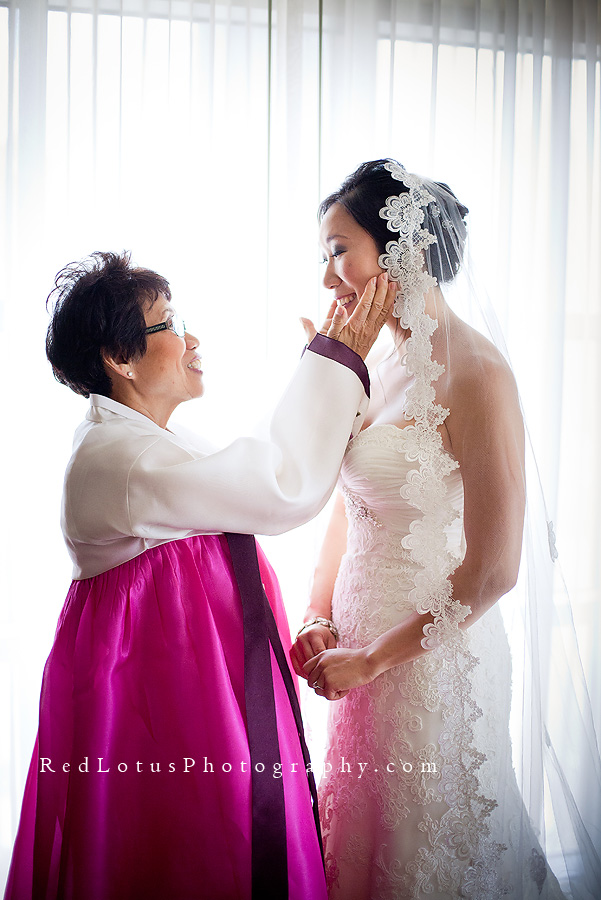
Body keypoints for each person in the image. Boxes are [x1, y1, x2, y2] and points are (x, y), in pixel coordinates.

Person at [3, 250, 396, 900]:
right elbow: (278, 489)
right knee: (198, 849)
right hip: (169, 701)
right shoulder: (119, 459)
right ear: (119, 359)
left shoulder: (142, 442)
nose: (193, 339)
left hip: (187, 686)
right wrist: (334, 363)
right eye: (169, 324)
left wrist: (326, 370)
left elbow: (248, 466)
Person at [291, 160, 601, 899]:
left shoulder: (478, 374)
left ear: (400, 247)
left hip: (427, 657)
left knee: (430, 848)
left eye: (340, 250)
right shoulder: (379, 362)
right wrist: (317, 610)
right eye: (324, 257)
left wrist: (373, 660)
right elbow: (350, 499)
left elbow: (494, 569)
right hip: (357, 647)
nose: (329, 276)